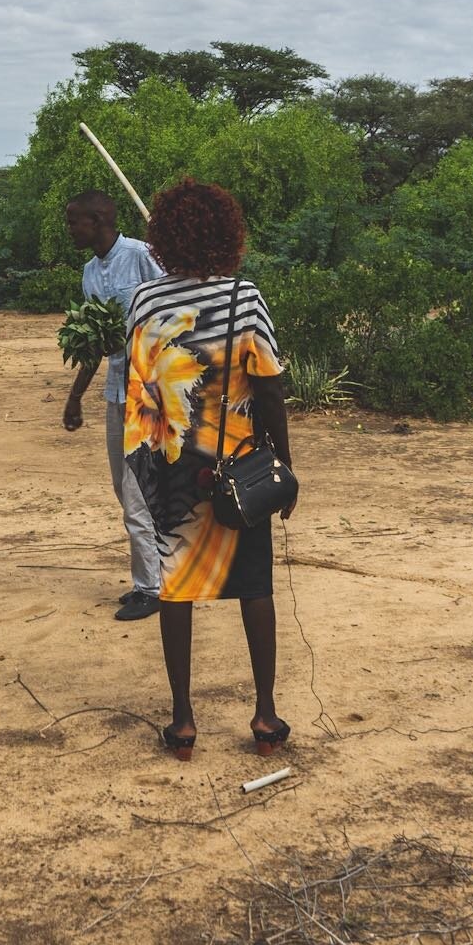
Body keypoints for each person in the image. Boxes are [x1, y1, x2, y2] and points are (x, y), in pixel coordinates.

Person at [122, 177, 294, 760]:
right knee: (254, 586)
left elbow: (141, 393)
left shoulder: (146, 301)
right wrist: (284, 464)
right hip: (240, 465)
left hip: (174, 466)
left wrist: (148, 477)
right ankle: (265, 717)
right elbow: (269, 387)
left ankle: (184, 722)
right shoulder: (244, 298)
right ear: (228, 233)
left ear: (162, 239)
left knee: (175, 587)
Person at [61, 189, 167, 621]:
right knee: (122, 486)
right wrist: (74, 396)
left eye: (74, 221)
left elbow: (179, 303)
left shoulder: (143, 256)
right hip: (115, 393)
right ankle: (155, 573)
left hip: (152, 392)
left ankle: (151, 587)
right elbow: (96, 341)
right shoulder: (89, 271)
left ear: (100, 218)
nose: (70, 229)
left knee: (138, 491)